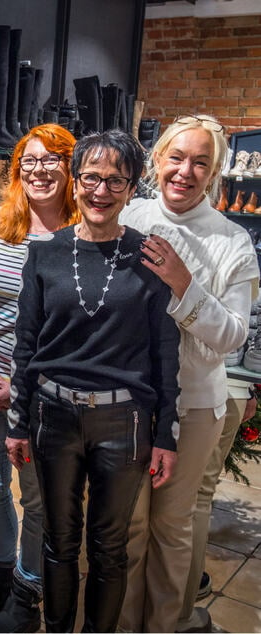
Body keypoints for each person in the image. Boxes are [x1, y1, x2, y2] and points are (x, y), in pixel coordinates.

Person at [6, 129, 181, 632]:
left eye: (115, 181)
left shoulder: (151, 258)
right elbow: (27, 344)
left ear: (131, 189)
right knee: (58, 541)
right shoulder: (44, 254)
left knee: (109, 546)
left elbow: (164, 353)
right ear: (75, 181)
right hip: (52, 417)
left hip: (122, 422)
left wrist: (165, 433)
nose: (101, 191)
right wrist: (17, 423)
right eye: (91, 178)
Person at [118, 114, 260, 633]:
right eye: (176, 158)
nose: (186, 171)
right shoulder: (128, 214)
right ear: (157, 161)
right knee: (130, 526)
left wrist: (183, 284)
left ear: (215, 172)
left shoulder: (232, 240)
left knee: (173, 526)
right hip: (128, 399)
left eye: (201, 162)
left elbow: (233, 336)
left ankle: (166, 624)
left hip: (195, 405)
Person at [0, 123, 79, 631]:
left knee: (35, 498)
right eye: (29, 161)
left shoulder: (83, 234)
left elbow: (80, 329)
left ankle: (25, 593)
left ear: (70, 168)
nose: (39, 170)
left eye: (52, 160)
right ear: (16, 171)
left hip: (43, 394)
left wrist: (23, 384)